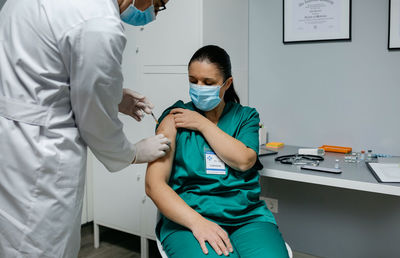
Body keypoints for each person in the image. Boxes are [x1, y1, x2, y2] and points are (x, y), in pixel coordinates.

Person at [0, 0, 170, 257]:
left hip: (10, 139)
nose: (153, 15)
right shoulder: (99, 22)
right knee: (39, 248)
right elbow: (96, 123)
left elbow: (46, 72)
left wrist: (112, 96)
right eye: (158, 4)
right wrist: (132, 152)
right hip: (38, 154)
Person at [145, 45, 289, 258]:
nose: (198, 87)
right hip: (189, 218)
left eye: (208, 82)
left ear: (227, 83)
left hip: (247, 217)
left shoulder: (245, 117)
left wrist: (202, 124)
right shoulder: (174, 118)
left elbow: (244, 161)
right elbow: (154, 184)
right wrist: (197, 222)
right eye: (193, 81)